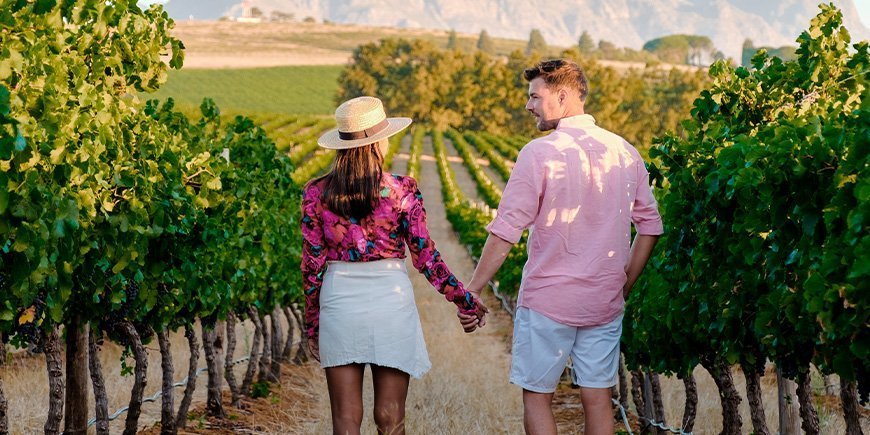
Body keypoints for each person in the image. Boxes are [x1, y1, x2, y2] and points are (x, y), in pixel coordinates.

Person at [458, 59, 663, 435]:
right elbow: (650, 227)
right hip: (604, 300)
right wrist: (625, 283)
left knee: (537, 396)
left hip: (548, 300)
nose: (528, 105)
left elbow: (505, 231)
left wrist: (472, 289)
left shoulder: (538, 154)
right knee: (598, 399)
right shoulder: (623, 151)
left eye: (535, 96)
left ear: (563, 95)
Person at [302, 96, 488, 435]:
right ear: (377, 144)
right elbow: (426, 257)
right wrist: (465, 299)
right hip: (390, 300)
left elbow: (312, 265)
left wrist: (313, 324)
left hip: (339, 300)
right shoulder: (402, 190)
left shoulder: (316, 193)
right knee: (391, 417)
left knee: (345, 420)